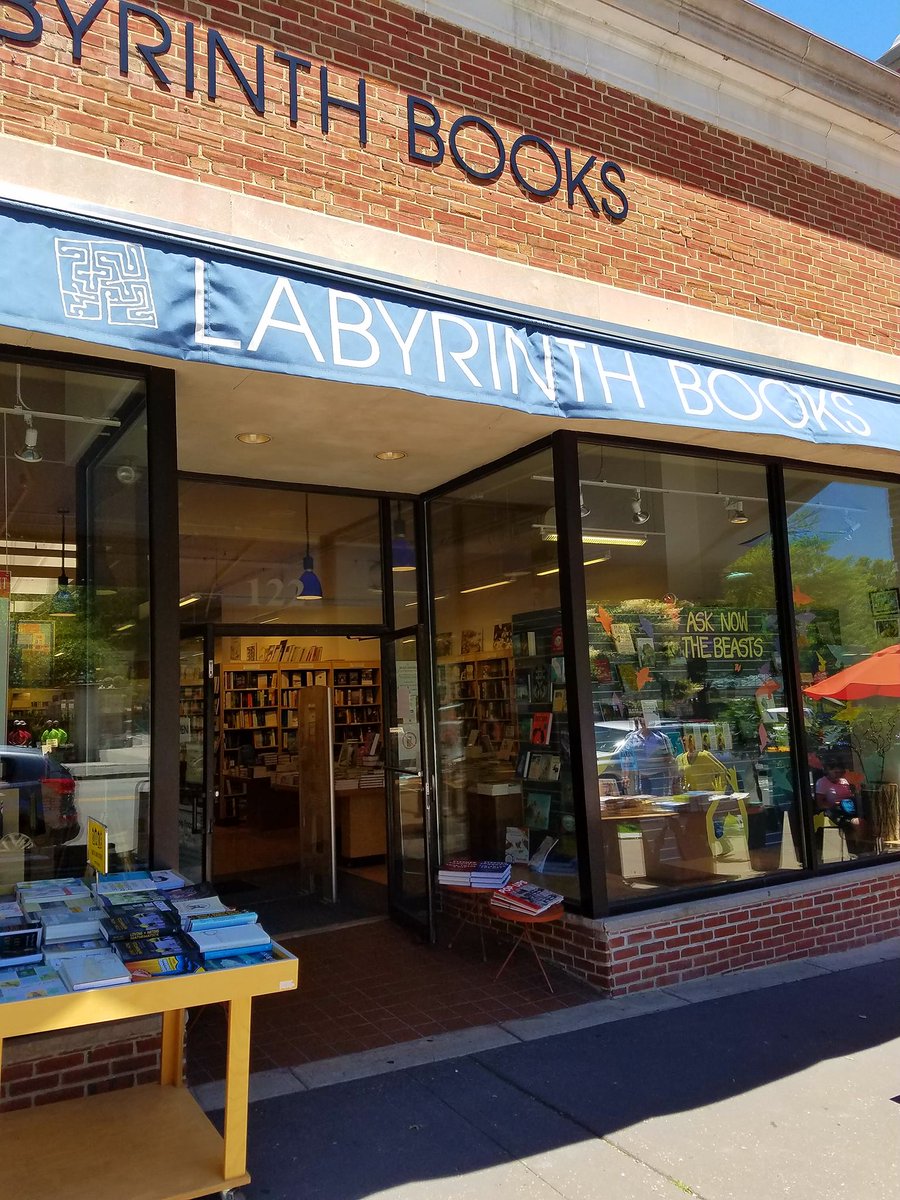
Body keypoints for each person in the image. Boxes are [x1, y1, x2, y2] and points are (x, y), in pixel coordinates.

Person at [814, 759, 862, 854]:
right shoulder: (822, 782)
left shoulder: (844, 781)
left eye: (841, 773)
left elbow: (849, 796)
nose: (838, 775)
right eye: (836, 772)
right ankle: (858, 850)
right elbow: (820, 804)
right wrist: (836, 804)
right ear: (828, 770)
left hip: (849, 808)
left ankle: (859, 847)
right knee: (857, 824)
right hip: (835, 812)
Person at [620, 716, 675, 795]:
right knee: (644, 800)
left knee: (658, 799)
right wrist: (625, 776)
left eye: (646, 720)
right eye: (642, 720)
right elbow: (626, 756)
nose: (643, 723)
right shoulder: (632, 737)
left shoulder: (662, 738)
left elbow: (669, 758)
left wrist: (673, 776)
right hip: (641, 776)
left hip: (659, 776)